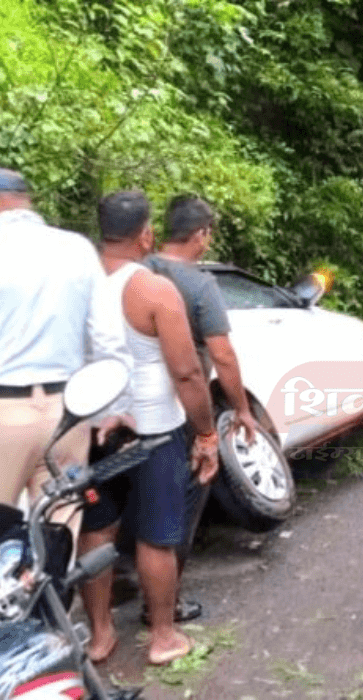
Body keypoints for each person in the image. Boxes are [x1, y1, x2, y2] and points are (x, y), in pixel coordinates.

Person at [0, 167, 132, 526]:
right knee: (59, 536)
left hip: (1, 416)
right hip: (67, 416)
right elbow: (109, 341)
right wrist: (109, 409)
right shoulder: (78, 249)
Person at [78, 191, 219, 666]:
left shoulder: (78, 284)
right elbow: (186, 372)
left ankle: (99, 636)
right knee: (157, 534)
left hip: (97, 428)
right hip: (154, 429)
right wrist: (205, 433)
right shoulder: (153, 289)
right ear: (146, 234)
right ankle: (163, 636)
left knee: (96, 530)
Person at [141, 194, 263, 624]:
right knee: (183, 504)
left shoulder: (137, 272)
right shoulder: (199, 285)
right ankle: (164, 605)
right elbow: (223, 357)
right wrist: (242, 411)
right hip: (178, 408)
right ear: (200, 235)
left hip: (128, 407)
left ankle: (126, 579)